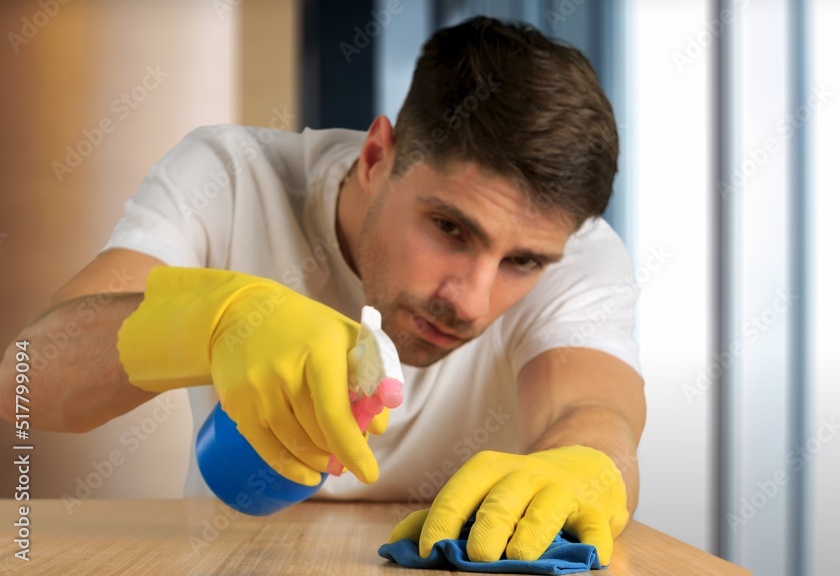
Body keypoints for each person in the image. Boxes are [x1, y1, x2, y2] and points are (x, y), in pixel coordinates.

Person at [0, 16, 645, 566]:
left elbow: (590, 411)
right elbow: (22, 381)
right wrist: (212, 318)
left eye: (523, 262)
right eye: (450, 228)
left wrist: (589, 460)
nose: (472, 301)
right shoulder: (228, 180)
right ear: (375, 158)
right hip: (228, 559)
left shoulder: (581, 253)